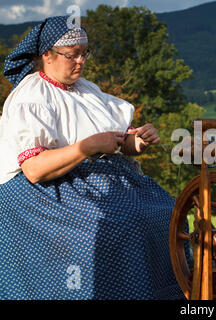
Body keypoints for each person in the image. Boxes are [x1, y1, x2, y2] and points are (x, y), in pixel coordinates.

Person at [0, 15, 187, 299]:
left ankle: (165, 292)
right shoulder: (31, 97)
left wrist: (138, 141)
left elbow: (121, 143)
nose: (81, 62)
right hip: (47, 189)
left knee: (166, 213)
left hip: (104, 180)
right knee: (120, 224)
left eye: (84, 53)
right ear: (46, 55)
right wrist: (87, 147)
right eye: (72, 55)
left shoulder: (88, 91)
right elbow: (35, 170)